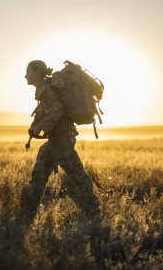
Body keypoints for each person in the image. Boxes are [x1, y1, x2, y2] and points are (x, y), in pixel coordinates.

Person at [23, 60, 100, 222]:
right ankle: (27, 215)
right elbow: (47, 111)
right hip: (56, 139)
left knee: (78, 176)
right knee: (39, 173)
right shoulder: (43, 88)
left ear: (37, 73)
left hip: (62, 139)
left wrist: (40, 127)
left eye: (28, 72)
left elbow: (57, 110)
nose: (25, 76)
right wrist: (36, 125)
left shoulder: (45, 89)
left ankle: (96, 212)